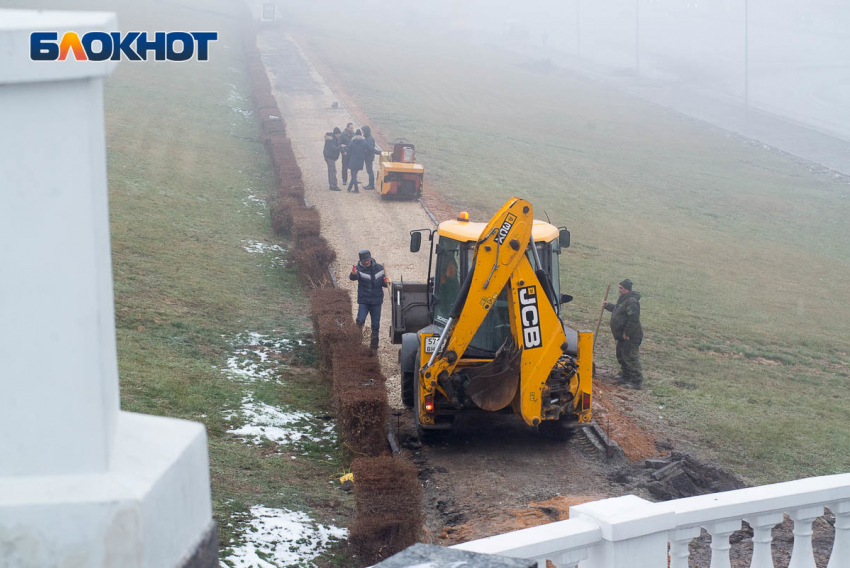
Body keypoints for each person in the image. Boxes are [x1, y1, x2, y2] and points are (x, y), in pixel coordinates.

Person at [603, 279, 643, 389]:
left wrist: (627, 333)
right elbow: (619, 310)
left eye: (621, 288)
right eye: (619, 287)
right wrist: (608, 306)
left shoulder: (632, 301)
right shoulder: (623, 299)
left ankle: (636, 381)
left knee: (630, 357)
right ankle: (625, 376)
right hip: (622, 336)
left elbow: (633, 319)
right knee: (621, 356)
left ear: (627, 290)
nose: (619, 290)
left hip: (630, 336)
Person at [349, 250, 389, 351]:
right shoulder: (358, 269)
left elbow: (384, 284)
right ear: (361, 261)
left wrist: (386, 282)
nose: (366, 262)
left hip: (376, 301)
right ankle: (356, 344)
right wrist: (353, 273)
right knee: (360, 321)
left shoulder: (380, 268)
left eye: (367, 260)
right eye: (364, 261)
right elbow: (353, 277)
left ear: (370, 258)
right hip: (364, 301)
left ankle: (374, 348)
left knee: (375, 325)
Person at [361, 125, 381, 190]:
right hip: (369, 157)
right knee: (369, 171)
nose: (362, 133)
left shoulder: (369, 139)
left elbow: (370, 148)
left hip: (368, 157)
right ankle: (370, 184)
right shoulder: (369, 138)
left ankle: (371, 185)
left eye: (363, 131)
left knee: (370, 171)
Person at [323, 127, 342, 191]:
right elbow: (333, 148)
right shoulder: (332, 140)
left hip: (328, 156)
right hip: (330, 157)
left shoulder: (331, 138)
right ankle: (333, 185)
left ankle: (331, 185)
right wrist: (340, 147)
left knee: (330, 171)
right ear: (336, 134)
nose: (340, 136)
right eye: (339, 134)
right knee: (333, 171)